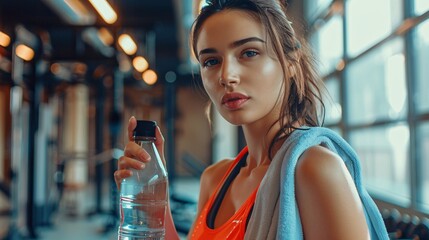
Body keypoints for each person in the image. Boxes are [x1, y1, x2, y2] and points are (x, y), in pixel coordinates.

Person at [114, 0, 389, 239]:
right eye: (211, 61)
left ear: (290, 63)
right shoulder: (215, 178)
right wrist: (152, 197)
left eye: (249, 53)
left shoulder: (315, 170)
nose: (227, 76)